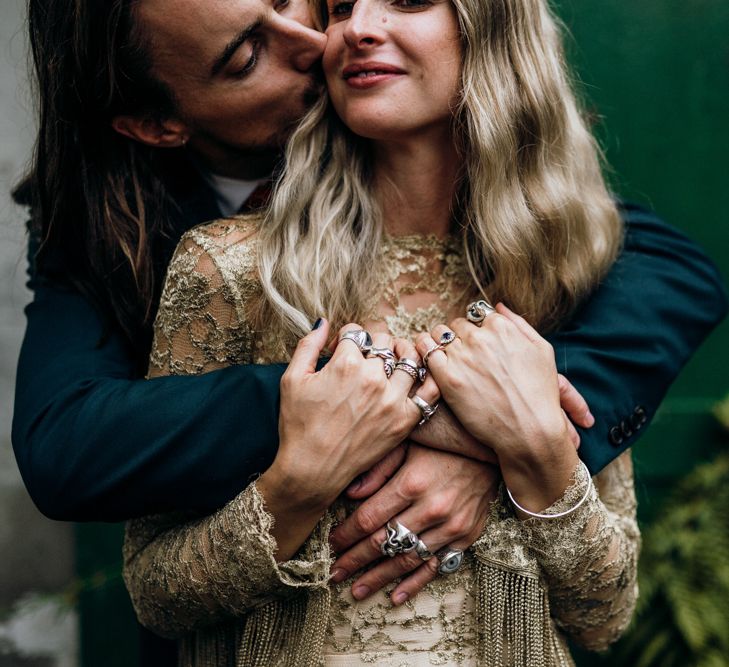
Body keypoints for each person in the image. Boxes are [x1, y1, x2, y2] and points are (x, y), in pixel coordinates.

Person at [11, 0, 726, 661]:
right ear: (158, 122)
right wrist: (341, 416)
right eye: (243, 56)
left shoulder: (547, 259)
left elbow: (671, 272)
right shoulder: (163, 240)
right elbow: (66, 445)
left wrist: (519, 439)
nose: (326, 35)